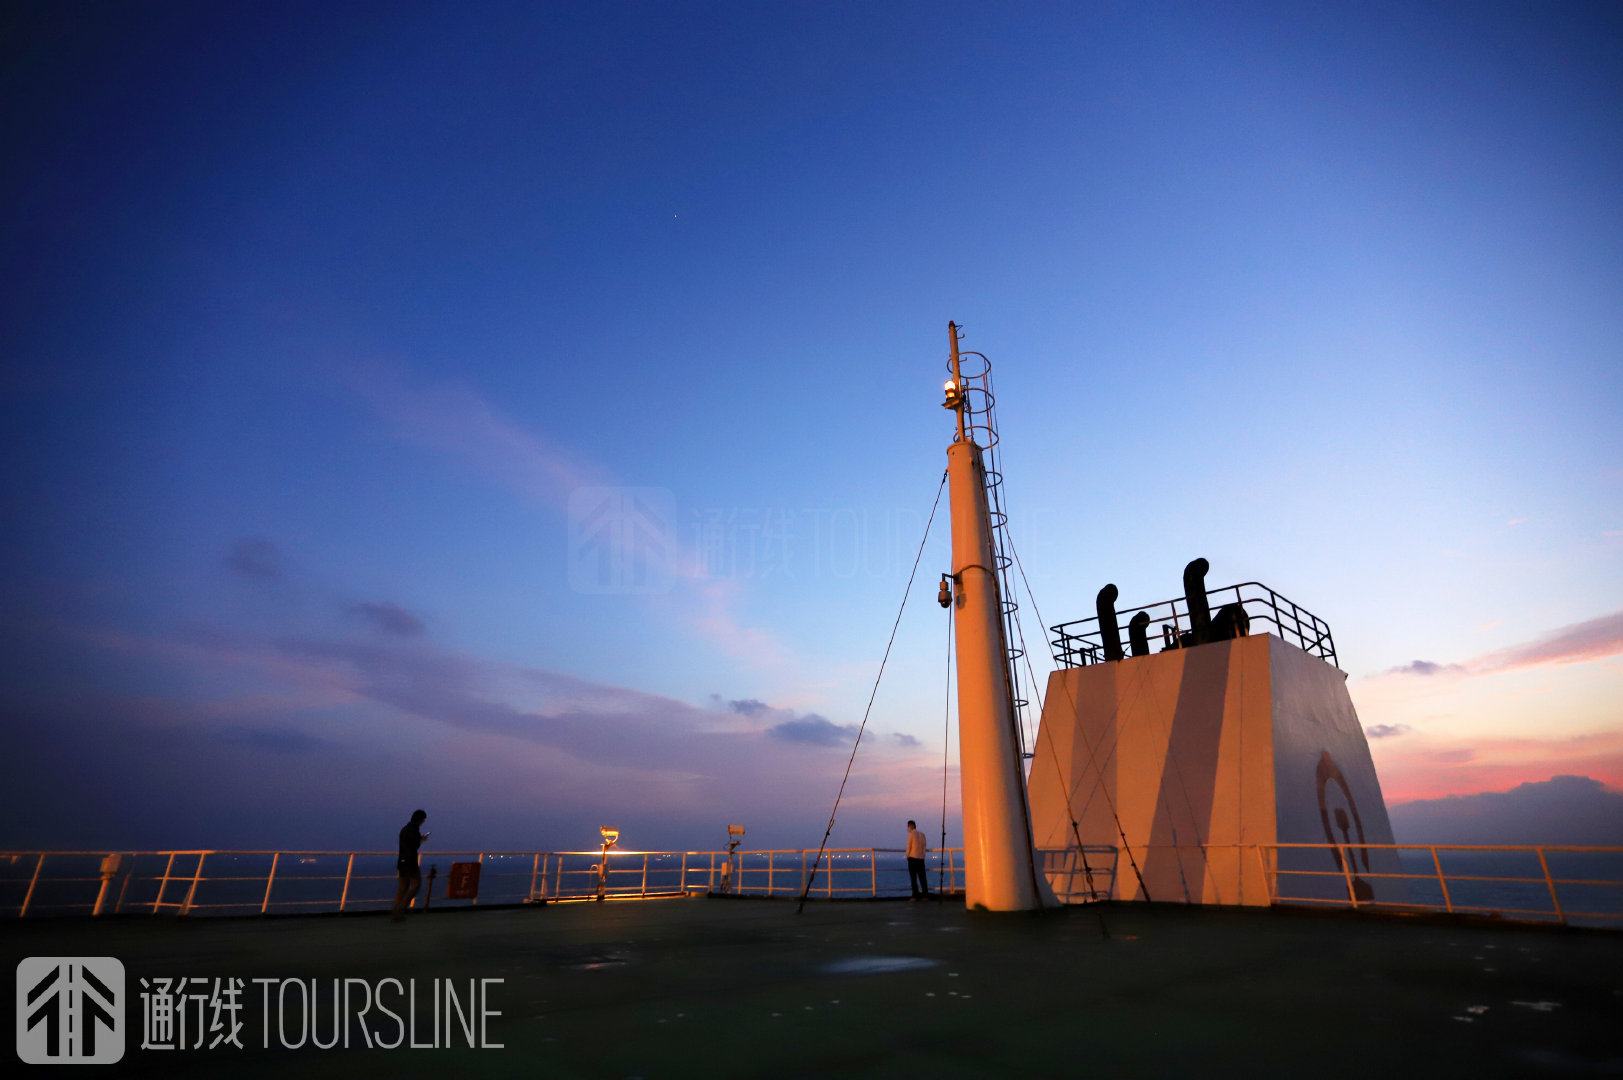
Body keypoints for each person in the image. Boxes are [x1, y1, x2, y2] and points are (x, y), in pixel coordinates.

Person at [392, 809, 429, 920]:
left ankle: (396, 912)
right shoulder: (414, 830)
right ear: (421, 820)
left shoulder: (405, 829)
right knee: (416, 884)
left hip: (401, 861)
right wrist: (421, 840)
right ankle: (401, 908)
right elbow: (414, 846)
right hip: (410, 862)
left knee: (402, 888)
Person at [905, 820, 929, 900]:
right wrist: (923, 856)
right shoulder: (922, 835)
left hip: (913, 858)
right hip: (921, 859)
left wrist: (907, 856)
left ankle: (915, 895)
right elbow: (924, 847)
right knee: (923, 878)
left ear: (910, 826)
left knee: (913, 878)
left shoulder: (911, 835)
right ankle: (925, 895)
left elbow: (909, 846)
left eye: (908, 827)